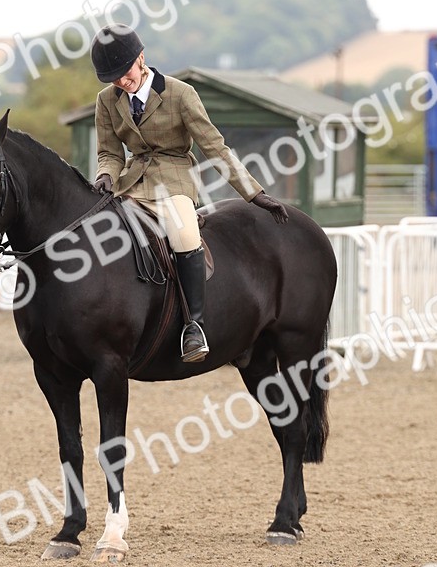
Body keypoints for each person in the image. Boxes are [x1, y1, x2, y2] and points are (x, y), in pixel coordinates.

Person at [91, 25, 289, 363]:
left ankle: (194, 326)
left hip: (173, 179)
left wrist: (253, 194)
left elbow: (215, 147)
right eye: (113, 78)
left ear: (141, 59)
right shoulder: (106, 101)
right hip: (131, 183)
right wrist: (106, 176)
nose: (121, 82)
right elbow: (109, 153)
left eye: (124, 73)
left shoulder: (181, 94)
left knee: (183, 234)